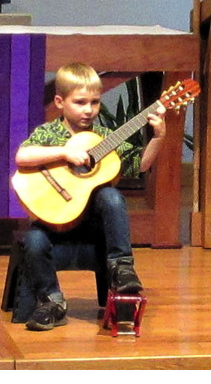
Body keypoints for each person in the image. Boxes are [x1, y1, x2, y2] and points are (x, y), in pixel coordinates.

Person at [15, 62, 167, 331]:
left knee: (111, 196)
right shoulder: (50, 134)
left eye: (95, 102)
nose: (89, 109)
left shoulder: (106, 136)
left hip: (94, 225)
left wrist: (159, 136)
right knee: (34, 240)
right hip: (55, 221)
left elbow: (141, 164)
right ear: (60, 102)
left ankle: (122, 267)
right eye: (80, 102)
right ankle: (52, 302)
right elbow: (22, 156)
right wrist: (64, 154)